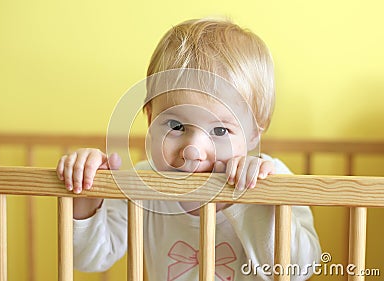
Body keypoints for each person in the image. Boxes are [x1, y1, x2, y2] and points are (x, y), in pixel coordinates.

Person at [56, 18, 321, 280]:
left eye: (219, 131)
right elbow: (91, 258)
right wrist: (88, 200)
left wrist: (247, 200)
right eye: (176, 125)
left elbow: (298, 270)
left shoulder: (273, 179)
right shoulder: (142, 185)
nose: (192, 150)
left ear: (254, 133)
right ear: (150, 119)